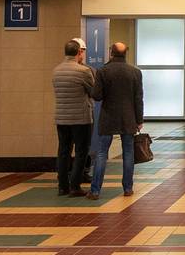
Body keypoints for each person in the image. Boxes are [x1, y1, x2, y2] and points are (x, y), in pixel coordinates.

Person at [89, 42, 144, 198]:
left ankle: (95, 190)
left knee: (101, 153)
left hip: (108, 117)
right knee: (128, 152)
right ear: (126, 53)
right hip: (129, 118)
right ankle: (127, 188)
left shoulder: (103, 71)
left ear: (110, 53)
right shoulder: (135, 72)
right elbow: (138, 98)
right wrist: (139, 119)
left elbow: (97, 95)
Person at [52, 39, 94, 196]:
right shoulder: (83, 71)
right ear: (79, 52)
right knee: (81, 151)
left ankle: (62, 186)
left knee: (63, 151)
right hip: (81, 118)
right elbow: (93, 92)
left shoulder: (56, 70)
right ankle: (75, 186)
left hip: (61, 117)